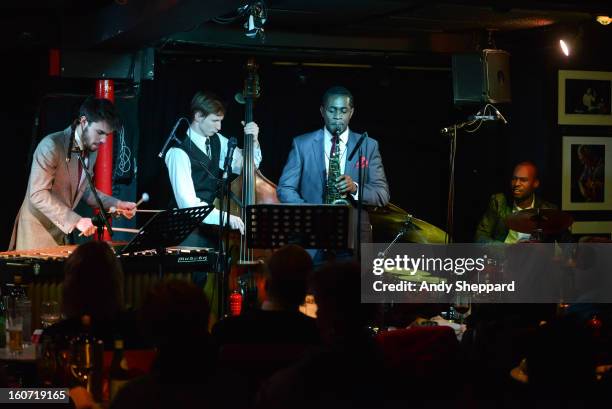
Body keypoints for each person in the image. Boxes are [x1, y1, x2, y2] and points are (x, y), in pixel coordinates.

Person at [277, 86, 390, 260]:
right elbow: (285, 188)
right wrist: (310, 214)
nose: (338, 116)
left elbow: (382, 194)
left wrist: (355, 188)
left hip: (354, 240)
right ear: (322, 111)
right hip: (313, 237)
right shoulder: (302, 144)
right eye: (332, 110)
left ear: (351, 112)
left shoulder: (368, 145)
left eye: (343, 111)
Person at [9, 97, 137, 250]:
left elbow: (85, 190)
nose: (103, 140)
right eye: (100, 132)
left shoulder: (91, 151)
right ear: (83, 122)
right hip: (36, 231)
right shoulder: (51, 146)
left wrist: (118, 204)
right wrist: (76, 221)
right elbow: (37, 194)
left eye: (107, 135)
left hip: (61, 231)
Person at [164, 91, 262, 246]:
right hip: (184, 230)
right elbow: (188, 205)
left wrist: (254, 141)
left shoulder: (217, 140)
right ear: (198, 116)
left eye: (221, 121)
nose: (219, 127)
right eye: (215, 120)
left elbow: (248, 166)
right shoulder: (178, 152)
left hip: (210, 227)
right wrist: (226, 217)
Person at [475, 161, 556, 243]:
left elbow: (565, 241)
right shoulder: (499, 201)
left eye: (523, 180)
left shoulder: (548, 209)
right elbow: (480, 236)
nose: (516, 183)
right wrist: (507, 249)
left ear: (535, 183)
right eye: (514, 179)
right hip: (504, 254)